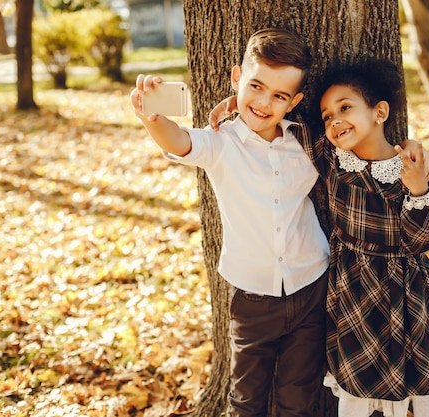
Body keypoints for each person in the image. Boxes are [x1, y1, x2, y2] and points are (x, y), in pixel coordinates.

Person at [130, 28, 331, 417]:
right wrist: (153, 118)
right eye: (255, 86)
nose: (264, 102)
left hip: (311, 289)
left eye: (279, 96)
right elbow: (180, 142)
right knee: (245, 398)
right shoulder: (221, 143)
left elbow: (353, 140)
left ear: (295, 102)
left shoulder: (304, 141)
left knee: (298, 399)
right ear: (237, 77)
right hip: (253, 300)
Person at [306, 58, 429, 417]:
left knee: (416, 373)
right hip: (352, 288)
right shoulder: (333, 160)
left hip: (404, 288)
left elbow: (420, 241)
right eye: (327, 116)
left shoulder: (411, 169)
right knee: (355, 377)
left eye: (345, 107)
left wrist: (419, 189)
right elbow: (284, 127)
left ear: (380, 112)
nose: (335, 120)